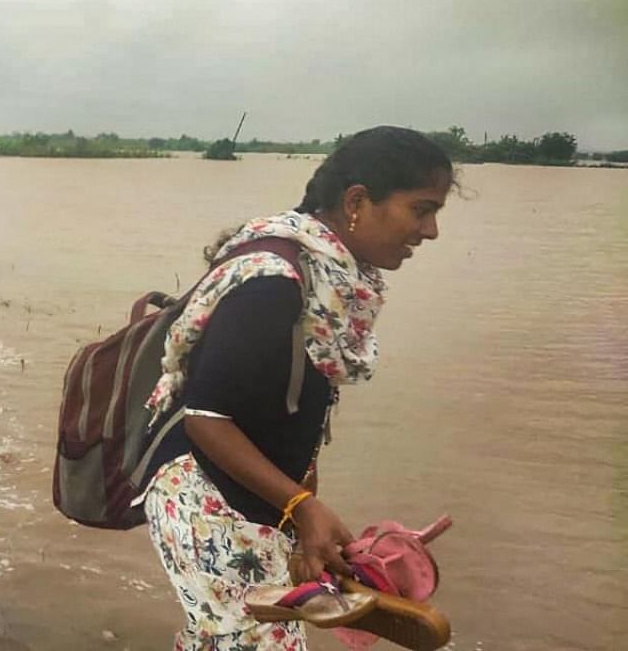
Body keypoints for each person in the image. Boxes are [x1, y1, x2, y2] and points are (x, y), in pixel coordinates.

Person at [137, 126, 456, 650]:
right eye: (421, 209)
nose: (431, 230)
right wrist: (303, 508)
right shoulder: (272, 282)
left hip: (257, 496)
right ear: (357, 200)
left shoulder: (330, 284)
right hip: (201, 496)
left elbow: (295, 416)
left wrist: (305, 519)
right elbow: (205, 417)